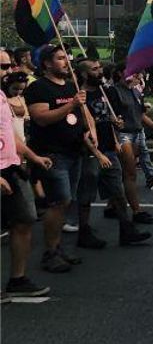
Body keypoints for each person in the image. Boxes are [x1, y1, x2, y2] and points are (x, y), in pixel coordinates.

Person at [24, 45, 90, 273]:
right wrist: (72, 104)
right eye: (61, 58)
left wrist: (87, 129)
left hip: (74, 152)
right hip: (53, 154)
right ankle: (49, 253)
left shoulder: (71, 86)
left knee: (66, 201)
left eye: (67, 58)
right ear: (47, 63)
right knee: (58, 201)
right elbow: (41, 118)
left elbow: (78, 115)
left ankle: (58, 247)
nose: (66, 61)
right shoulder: (38, 88)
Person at [76, 60, 151, 247]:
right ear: (84, 75)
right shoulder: (79, 96)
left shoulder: (106, 92)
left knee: (117, 191)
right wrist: (96, 152)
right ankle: (83, 232)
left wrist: (116, 131)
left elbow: (111, 119)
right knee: (87, 194)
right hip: (90, 152)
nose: (100, 71)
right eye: (94, 69)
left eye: (99, 68)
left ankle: (126, 230)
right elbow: (83, 128)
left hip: (109, 148)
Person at [1, 49, 52, 299]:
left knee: (25, 219)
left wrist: (33, 157)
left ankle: (17, 279)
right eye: (2, 67)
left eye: (8, 66)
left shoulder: (1, 97)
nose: (7, 70)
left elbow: (10, 135)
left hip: (12, 167)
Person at [106, 65, 153, 224]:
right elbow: (109, 115)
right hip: (123, 135)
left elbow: (140, 114)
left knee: (124, 173)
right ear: (119, 73)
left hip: (136, 133)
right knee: (130, 174)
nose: (138, 75)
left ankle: (111, 205)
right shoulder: (114, 91)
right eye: (133, 72)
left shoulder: (136, 91)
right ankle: (137, 210)